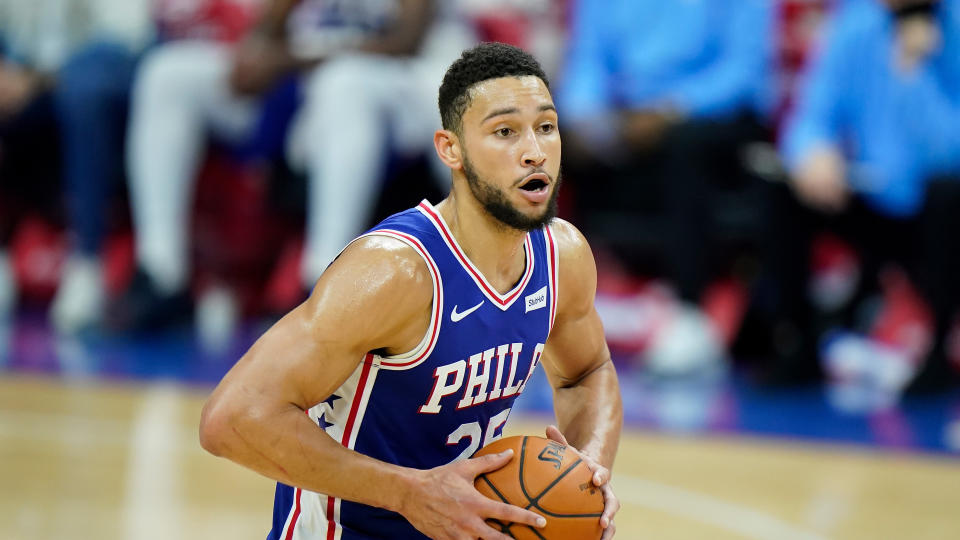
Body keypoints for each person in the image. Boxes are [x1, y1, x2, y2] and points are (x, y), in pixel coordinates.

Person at [199, 43, 622, 539]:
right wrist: (410, 492)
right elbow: (232, 420)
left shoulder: (562, 257)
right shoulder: (395, 272)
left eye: (546, 127)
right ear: (451, 149)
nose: (534, 151)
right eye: (505, 131)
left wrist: (585, 474)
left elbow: (587, 373)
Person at [120, 0, 476, 330]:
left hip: (409, 81)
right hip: (308, 79)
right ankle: (162, 274)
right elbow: (267, 30)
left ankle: (321, 282)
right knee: (168, 73)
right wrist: (254, 53)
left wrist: (285, 61)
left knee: (344, 84)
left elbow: (406, 41)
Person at [557, 0, 774, 373]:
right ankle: (538, 301)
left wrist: (670, 109)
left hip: (711, 119)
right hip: (627, 119)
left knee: (685, 145)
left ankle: (690, 313)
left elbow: (745, 73)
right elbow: (589, 60)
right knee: (539, 137)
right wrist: (586, 116)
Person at [761, 0, 960, 389]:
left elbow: (949, 152)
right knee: (783, 184)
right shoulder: (855, 23)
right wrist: (814, 153)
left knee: (947, 195)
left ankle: (936, 350)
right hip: (873, 193)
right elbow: (810, 115)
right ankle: (796, 342)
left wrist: (912, 73)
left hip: (936, 204)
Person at [0, 0, 150, 330]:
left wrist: (37, 78)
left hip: (105, 76)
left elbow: (126, 36)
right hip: (27, 79)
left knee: (82, 94)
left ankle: (87, 262)